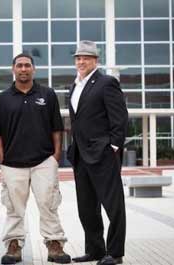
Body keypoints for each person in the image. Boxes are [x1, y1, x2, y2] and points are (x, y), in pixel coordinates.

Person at [0, 53, 71, 264]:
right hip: (12, 164)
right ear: (13, 69)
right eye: (19, 65)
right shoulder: (1, 99)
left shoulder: (48, 95)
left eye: (27, 65)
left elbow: (57, 128)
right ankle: (14, 245)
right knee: (14, 208)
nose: (23, 69)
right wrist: (2, 159)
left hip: (44, 161)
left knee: (49, 204)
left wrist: (55, 156)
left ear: (33, 69)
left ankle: (55, 245)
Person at [66, 40, 128, 265]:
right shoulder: (74, 86)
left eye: (86, 58)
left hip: (103, 154)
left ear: (95, 61)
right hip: (81, 156)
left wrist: (112, 147)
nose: (81, 61)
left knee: (113, 205)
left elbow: (120, 118)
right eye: (78, 58)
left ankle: (115, 253)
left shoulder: (106, 83)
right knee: (87, 207)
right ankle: (95, 250)